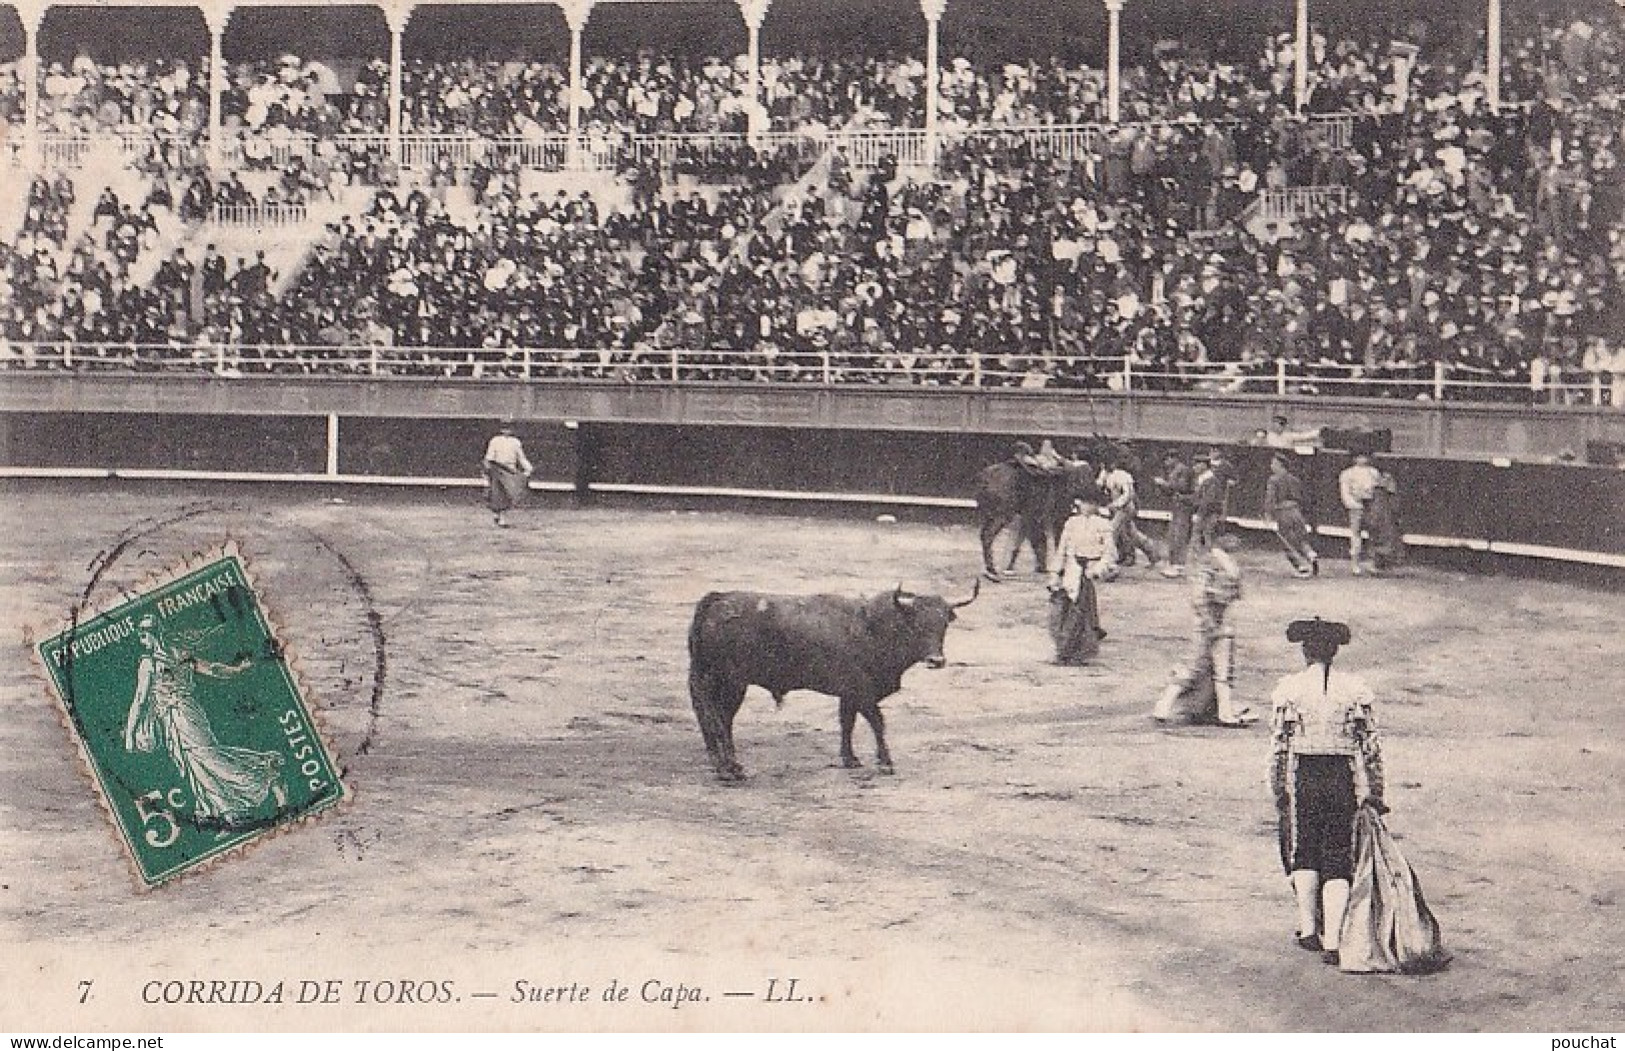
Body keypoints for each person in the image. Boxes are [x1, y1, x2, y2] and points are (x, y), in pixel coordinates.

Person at [1270, 617, 1385, 966]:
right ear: (1334, 652)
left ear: (1305, 650)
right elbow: (1371, 748)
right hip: (1340, 778)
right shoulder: (1354, 690)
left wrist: (1278, 788)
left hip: (1306, 775)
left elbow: (1278, 746)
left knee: (1305, 846)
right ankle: (1334, 938)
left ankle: (1308, 930)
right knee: (1337, 851)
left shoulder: (1290, 688)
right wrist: (1377, 791)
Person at [123, 615, 286, 829]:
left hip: (184, 714)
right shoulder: (172, 655)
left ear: (152, 634)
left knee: (207, 756)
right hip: (175, 718)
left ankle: (261, 776)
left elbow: (140, 700)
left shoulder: (151, 663)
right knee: (193, 761)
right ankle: (221, 808)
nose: (141, 639)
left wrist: (129, 736)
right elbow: (214, 670)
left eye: (142, 634)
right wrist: (236, 670)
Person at [1154, 533, 1252, 726]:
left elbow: (1233, 595)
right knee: (1194, 667)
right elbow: (1198, 597)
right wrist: (1209, 622)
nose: (1237, 540)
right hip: (1208, 622)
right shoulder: (1210, 562)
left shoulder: (1228, 561)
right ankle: (1163, 706)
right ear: (1221, 539)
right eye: (1232, 536)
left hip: (1224, 621)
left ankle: (1225, 712)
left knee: (1221, 670)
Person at [1047, 496, 1115, 665]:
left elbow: (1109, 553)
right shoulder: (1071, 523)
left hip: (1088, 571)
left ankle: (1073, 652)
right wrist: (1055, 572)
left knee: (1079, 614)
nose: (1087, 506)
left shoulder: (1103, 525)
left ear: (1097, 505)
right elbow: (1062, 549)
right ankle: (1064, 651)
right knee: (1063, 612)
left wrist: (1097, 569)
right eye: (1084, 502)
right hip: (1071, 569)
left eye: (1091, 502)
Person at [1098, 453, 1163, 572]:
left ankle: (1108, 563)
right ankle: (1153, 554)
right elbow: (1100, 485)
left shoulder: (1123, 475)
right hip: (1116, 507)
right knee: (1132, 534)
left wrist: (1116, 504)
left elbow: (1128, 494)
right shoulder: (1104, 473)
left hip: (1126, 508)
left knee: (1111, 532)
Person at [1265, 454, 1320, 578]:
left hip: (1283, 512)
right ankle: (1311, 554)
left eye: (1273, 463)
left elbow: (1270, 498)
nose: (1271, 466)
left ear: (1280, 465)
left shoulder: (1273, 480)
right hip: (1296, 510)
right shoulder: (1294, 479)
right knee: (1301, 539)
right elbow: (1301, 497)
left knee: (1287, 541)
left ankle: (1300, 566)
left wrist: (1268, 514)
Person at [482, 420, 533, 528]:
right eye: (504, 428)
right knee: (498, 493)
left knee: (507, 493)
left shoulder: (515, 442)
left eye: (509, 428)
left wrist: (528, 468)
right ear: (501, 429)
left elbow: (521, 457)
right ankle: (501, 518)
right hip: (497, 468)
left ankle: (499, 515)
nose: (507, 430)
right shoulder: (495, 440)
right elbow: (489, 456)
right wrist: (487, 468)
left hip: (510, 469)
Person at [1153, 449, 1195, 577]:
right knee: (1174, 535)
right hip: (1177, 506)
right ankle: (1174, 564)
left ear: (1173, 458)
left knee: (1179, 535)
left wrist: (1163, 484)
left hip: (1183, 505)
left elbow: (1181, 488)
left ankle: (1178, 566)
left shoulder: (1182, 470)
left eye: (1167, 460)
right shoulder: (1176, 470)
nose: (1166, 463)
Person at [1338, 453, 1382, 575]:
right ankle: (1355, 563)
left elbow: (1377, 490)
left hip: (1371, 505)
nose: (1362, 459)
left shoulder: (1373, 472)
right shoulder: (1347, 473)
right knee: (1356, 534)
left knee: (1373, 533)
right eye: (1359, 456)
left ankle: (1372, 563)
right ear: (1354, 458)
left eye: (1364, 456)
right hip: (1356, 504)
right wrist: (1353, 504)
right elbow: (1345, 492)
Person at [1365, 465, 1405, 571]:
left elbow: (1395, 508)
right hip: (1381, 521)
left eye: (1388, 479)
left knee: (1388, 540)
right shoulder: (1378, 493)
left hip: (1388, 522)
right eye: (1384, 479)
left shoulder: (1389, 494)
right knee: (1380, 540)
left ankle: (1386, 564)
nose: (1386, 481)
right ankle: (1377, 564)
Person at [1191, 448, 1230, 553]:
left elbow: (1208, 500)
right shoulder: (1205, 478)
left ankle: (1208, 557)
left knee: (1204, 533)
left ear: (1204, 465)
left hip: (1208, 512)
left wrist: (1199, 513)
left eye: (1196, 464)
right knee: (1204, 534)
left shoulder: (1209, 480)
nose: (1194, 467)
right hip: (1207, 512)